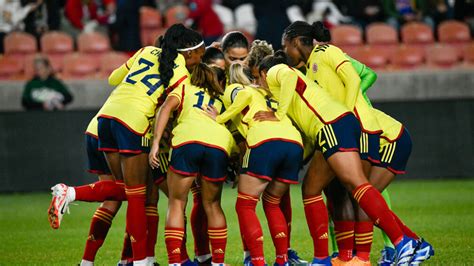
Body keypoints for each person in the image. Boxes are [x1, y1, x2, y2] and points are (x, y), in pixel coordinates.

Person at [49, 23, 204, 265]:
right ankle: (140, 260)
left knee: (123, 190)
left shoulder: (145, 51)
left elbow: (113, 78)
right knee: (137, 195)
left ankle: (108, 260)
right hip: (133, 123)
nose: (200, 60)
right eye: (200, 54)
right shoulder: (182, 73)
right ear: (189, 52)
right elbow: (172, 109)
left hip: (104, 119)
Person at [255, 53, 426, 266]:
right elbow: (308, 137)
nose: (260, 85)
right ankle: (345, 255)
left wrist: (278, 113)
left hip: (333, 125)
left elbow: (288, 77)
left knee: (351, 187)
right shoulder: (302, 91)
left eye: (258, 79)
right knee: (327, 189)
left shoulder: (275, 71)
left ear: (263, 72)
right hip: (339, 124)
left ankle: (399, 243)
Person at [204, 63, 303, 266]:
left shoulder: (236, 89)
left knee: (245, 205)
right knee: (273, 202)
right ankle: (282, 260)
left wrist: (220, 117)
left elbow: (241, 100)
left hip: (264, 141)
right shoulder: (269, 92)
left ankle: (257, 261)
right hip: (294, 143)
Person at [149, 63, 234, 265]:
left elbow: (166, 108)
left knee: (177, 203)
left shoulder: (185, 87)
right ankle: (218, 262)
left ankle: (175, 262)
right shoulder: (223, 97)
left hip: (188, 140)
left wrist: (155, 142)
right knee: (213, 205)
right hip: (218, 143)